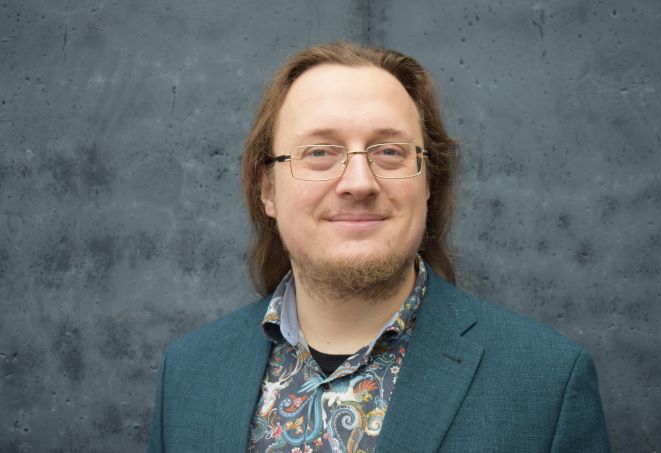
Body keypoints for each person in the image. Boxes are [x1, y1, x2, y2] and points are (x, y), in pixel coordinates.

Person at [148, 41, 611, 452]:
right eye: (320, 152)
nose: (359, 182)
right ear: (267, 189)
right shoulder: (188, 375)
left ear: (428, 183)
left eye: (389, 151)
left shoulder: (547, 383)